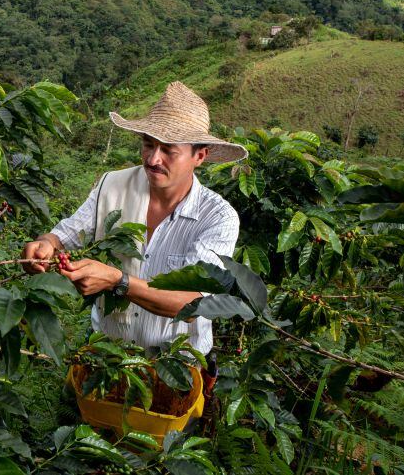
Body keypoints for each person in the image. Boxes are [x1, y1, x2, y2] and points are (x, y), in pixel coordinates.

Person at [21, 81, 247, 359]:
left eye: (169, 150)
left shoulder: (217, 217)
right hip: (108, 356)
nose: (153, 159)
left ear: (199, 156)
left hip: (177, 364)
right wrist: (44, 245)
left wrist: (118, 281)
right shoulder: (111, 186)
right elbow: (63, 236)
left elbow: (193, 304)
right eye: (148, 145)